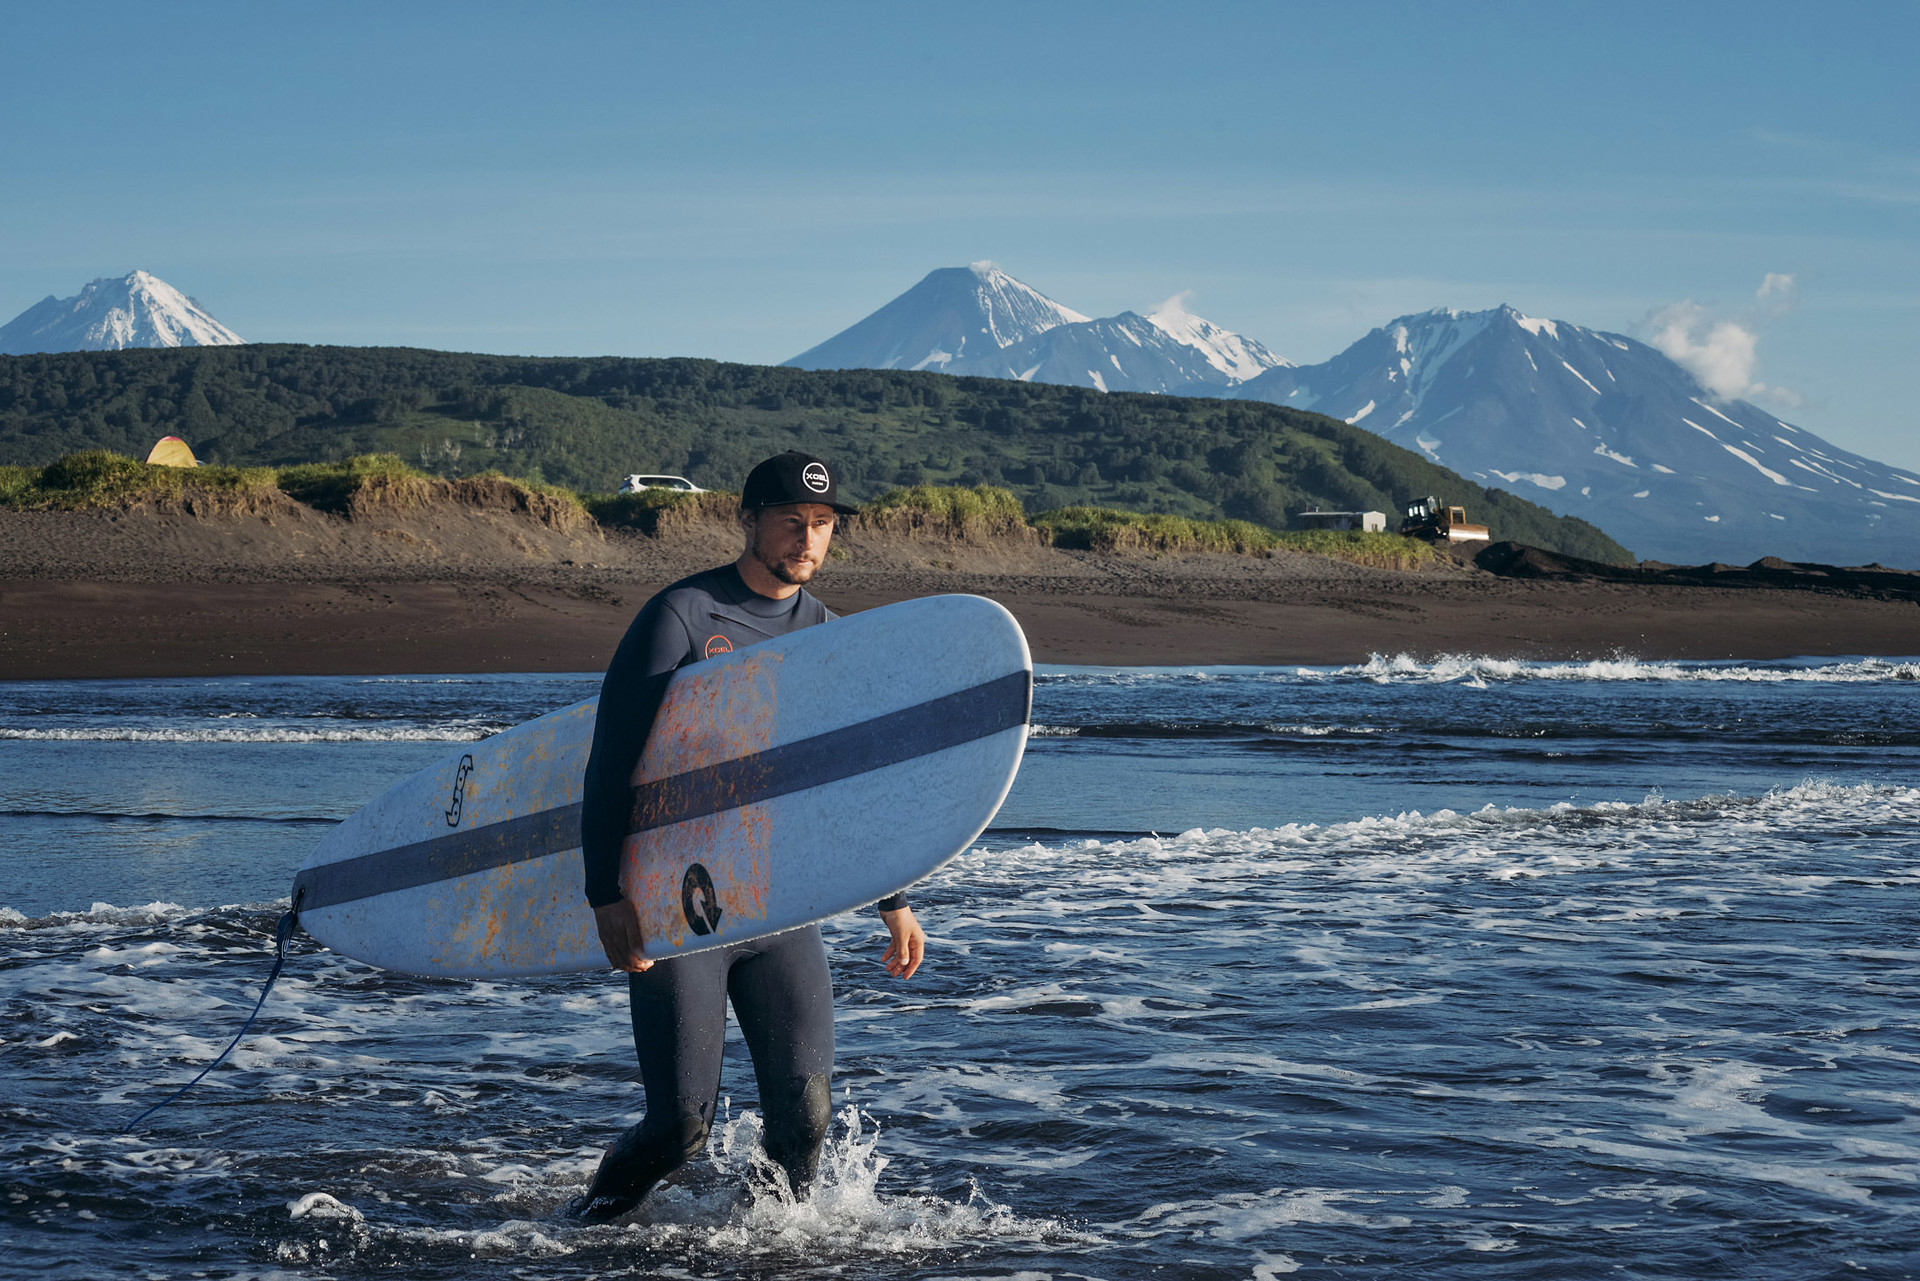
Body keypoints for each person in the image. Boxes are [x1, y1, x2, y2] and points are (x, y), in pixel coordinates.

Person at [564, 450, 927, 1222]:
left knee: (805, 1122)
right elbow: (611, 762)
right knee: (678, 1127)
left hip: (778, 905)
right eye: (792, 520)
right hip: (679, 906)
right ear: (749, 519)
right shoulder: (683, 616)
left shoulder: (826, 633)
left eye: (822, 524)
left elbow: (849, 779)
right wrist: (605, 891)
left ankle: (757, 1248)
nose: (808, 537)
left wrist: (892, 897)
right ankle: (578, 1232)